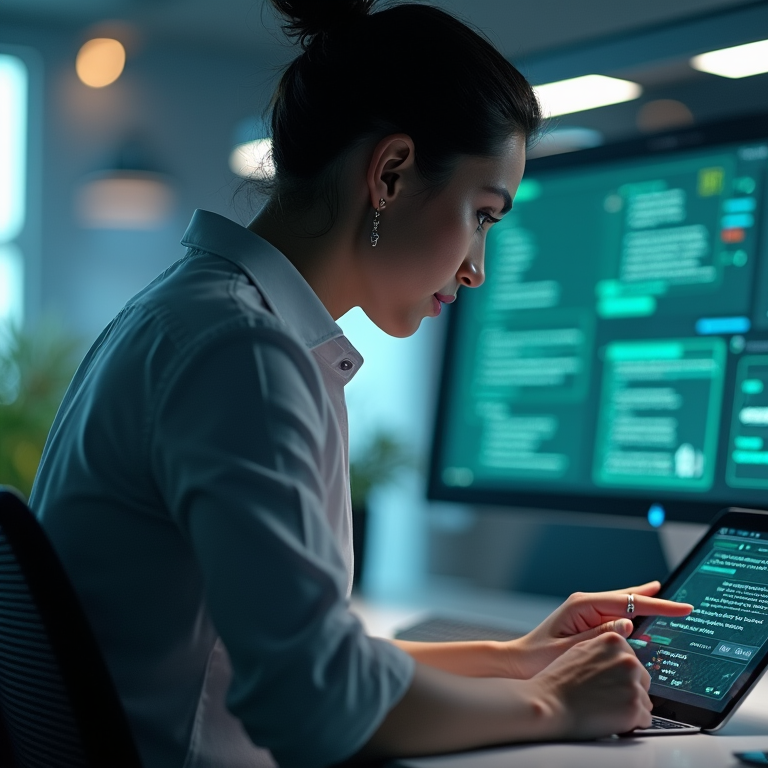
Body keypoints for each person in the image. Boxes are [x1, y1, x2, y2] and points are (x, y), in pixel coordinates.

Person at [30, 1, 693, 766]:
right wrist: (553, 704)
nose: (478, 268)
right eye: (483, 214)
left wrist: (520, 659)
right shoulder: (243, 352)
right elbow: (314, 705)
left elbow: (308, 659)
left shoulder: (194, 316)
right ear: (391, 172)